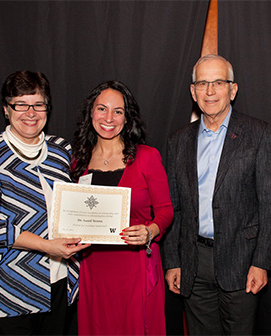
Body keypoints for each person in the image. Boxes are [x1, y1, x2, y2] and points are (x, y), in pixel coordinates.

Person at [0, 70, 90, 335]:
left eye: (38, 104)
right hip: (2, 291)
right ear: (7, 109)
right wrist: (47, 246)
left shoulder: (61, 151)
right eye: (21, 104)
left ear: (47, 108)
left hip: (58, 283)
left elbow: (80, 201)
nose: (30, 112)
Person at [162, 54, 271, 335]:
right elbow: (174, 207)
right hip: (194, 262)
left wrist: (261, 262)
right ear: (193, 91)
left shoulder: (259, 133)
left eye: (218, 82)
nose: (210, 91)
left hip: (242, 262)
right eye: (202, 83)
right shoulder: (178, 140)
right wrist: (173, 262)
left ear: (233, 89)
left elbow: (270, 204)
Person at [71, 80, 173, 335]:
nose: (109, 118)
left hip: (135, 266)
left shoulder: (147, 157)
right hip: (92, 268)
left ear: (127, 119)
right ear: (90, 113)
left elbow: (166, 210)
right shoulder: (77, 162)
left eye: (118, 111)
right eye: (102, 109)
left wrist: (151, 230)